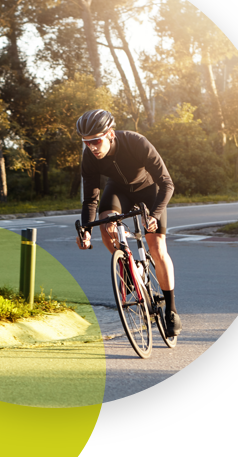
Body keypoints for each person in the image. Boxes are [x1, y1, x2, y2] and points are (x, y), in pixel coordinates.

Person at [75, 109, 182, 337]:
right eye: (86, 143)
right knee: (106, 224)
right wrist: (85, 230)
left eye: (96, 141)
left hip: (149, 189)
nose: (92, 147)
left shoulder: (135, 142)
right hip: (118, 191)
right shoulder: (89, 158)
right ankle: (125, 265)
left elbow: (167, 183)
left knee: (157, 246)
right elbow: (90, 199)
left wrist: (154, 215)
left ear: (110, 134)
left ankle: (171, 310)